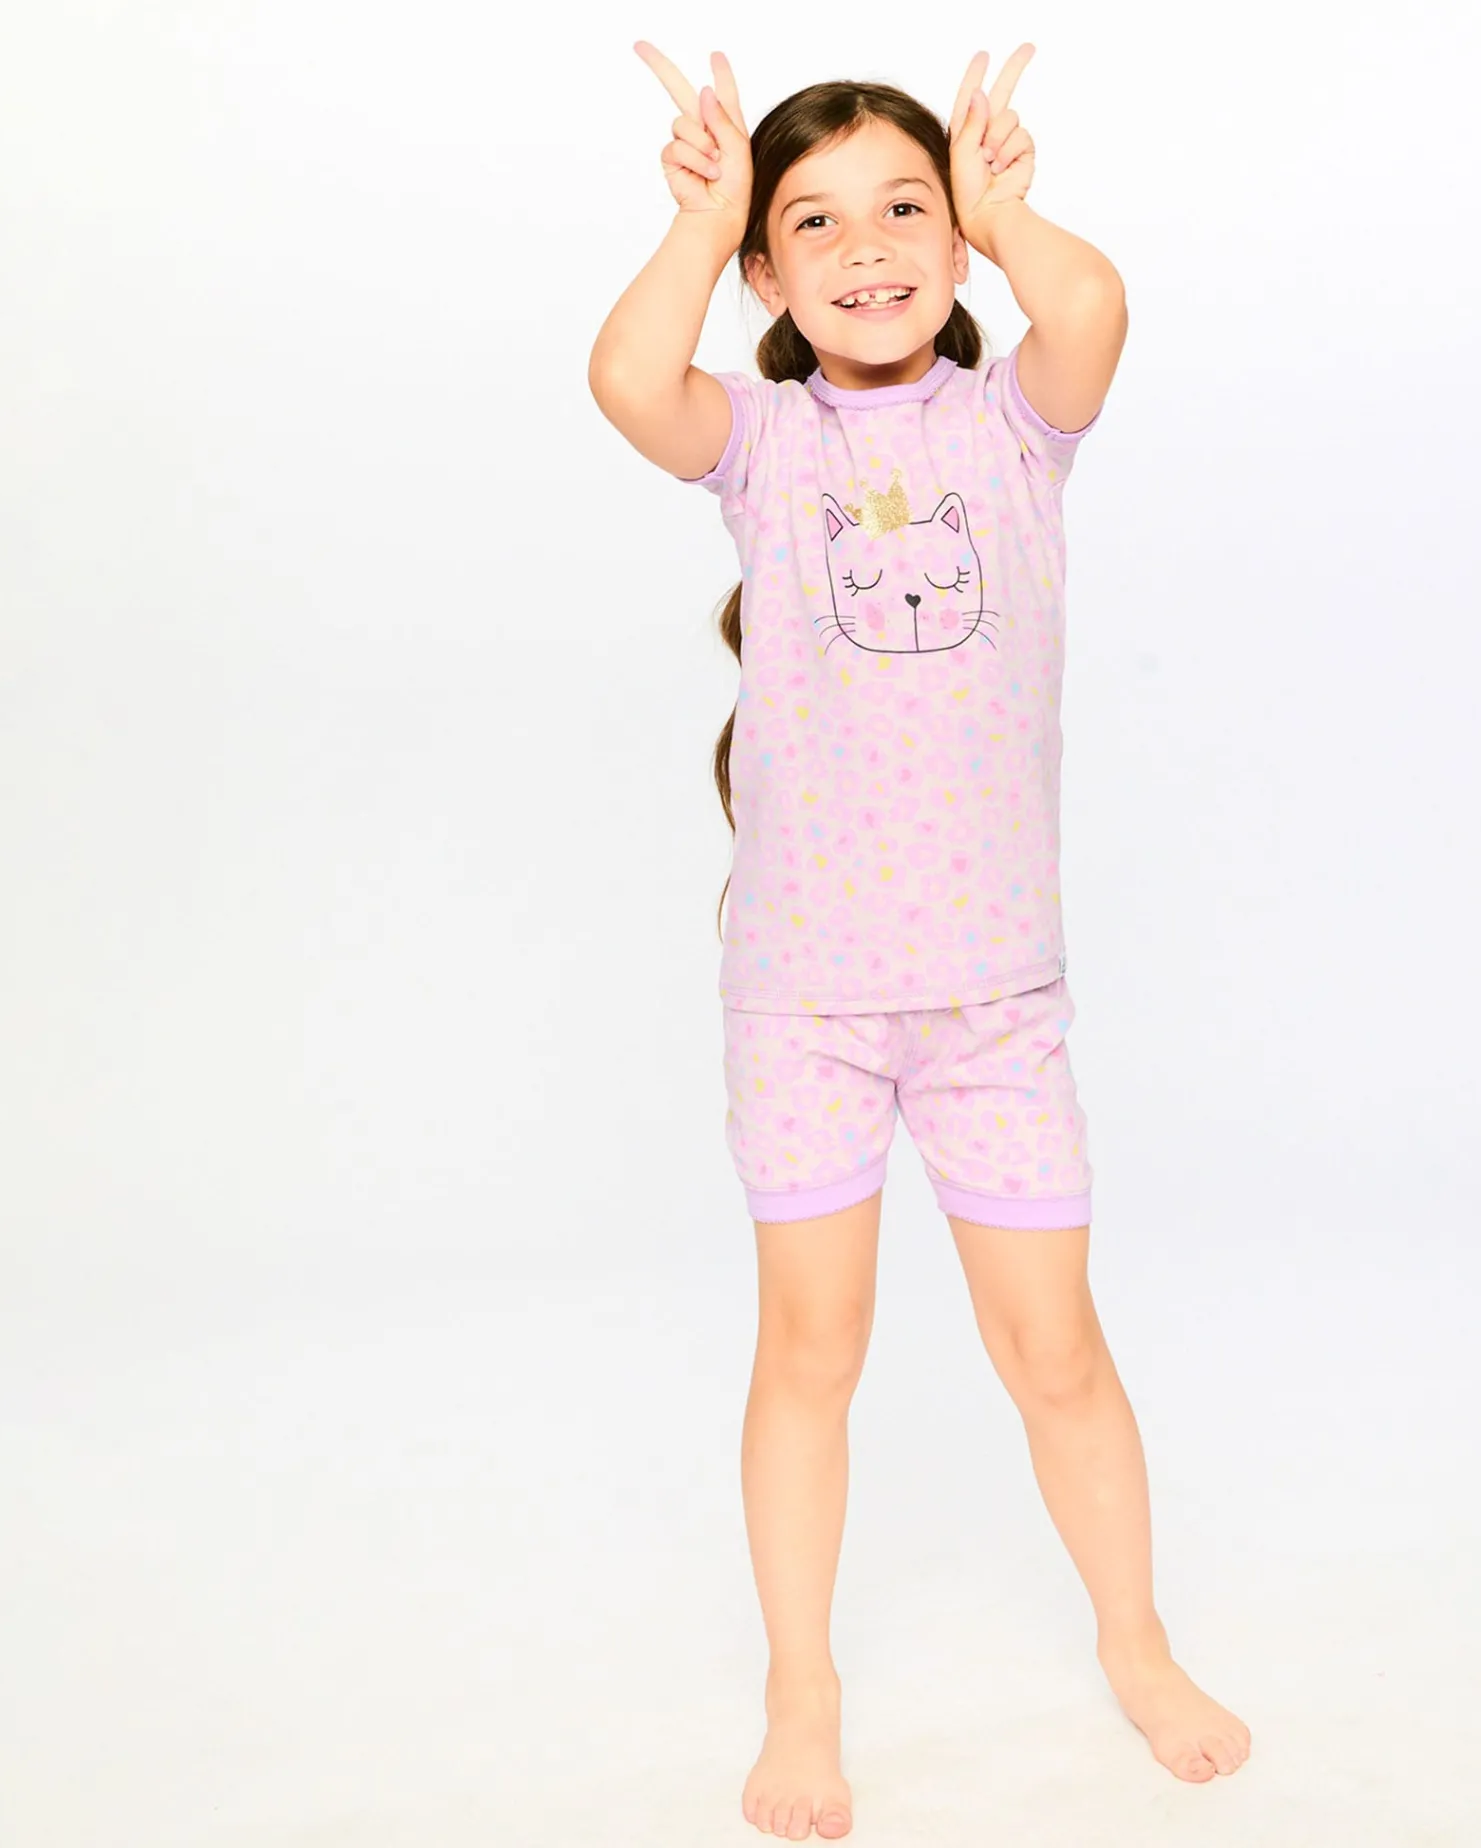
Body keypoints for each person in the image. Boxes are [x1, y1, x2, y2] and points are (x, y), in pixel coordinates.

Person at [590, 41, 1251, 1840]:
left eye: (904, 209)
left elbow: (1092, 308)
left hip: (993, 1003)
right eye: (814, 223)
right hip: (804, 1002)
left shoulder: (1012, 428)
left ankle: (1136, 1641)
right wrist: (703, 219)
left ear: (955, 244)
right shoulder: (765, 444)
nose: (867, 247)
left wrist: (1009, 210)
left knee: (1057, 1351)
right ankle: (803, 1687)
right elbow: (630, 378)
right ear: (766, 274)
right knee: (811, 1352)